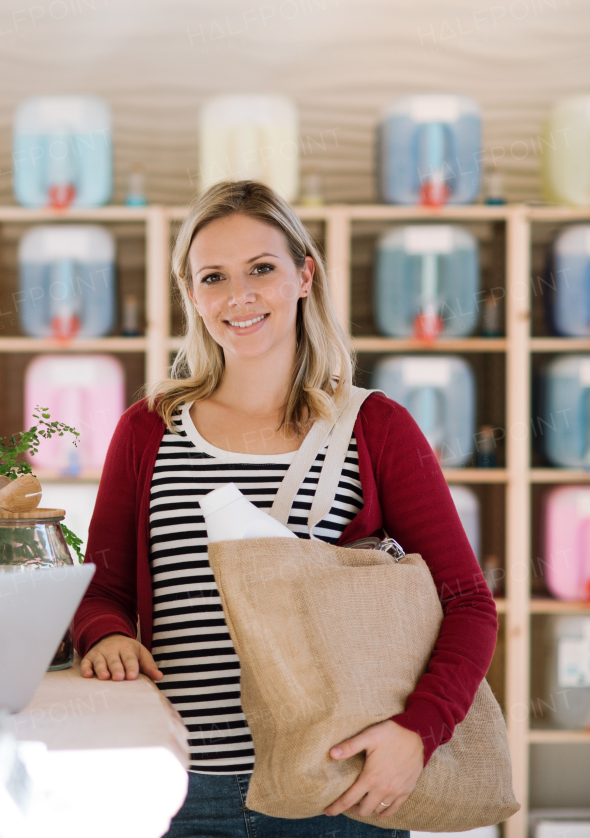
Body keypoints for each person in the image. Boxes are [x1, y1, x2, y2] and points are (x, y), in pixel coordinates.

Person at [71, 180, 497, 837]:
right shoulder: (149, 429)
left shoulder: (374, 427)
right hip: (181, 787)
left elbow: (468, 600)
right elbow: (103, 588)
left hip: (336, 789)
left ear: (304, 275)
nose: (239, 296)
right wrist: (106, 635)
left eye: (262, 269)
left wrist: (418, 732)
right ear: (191, 294)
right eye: (213, 277)